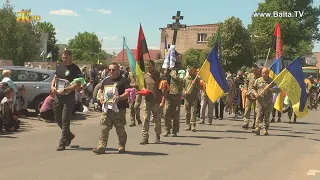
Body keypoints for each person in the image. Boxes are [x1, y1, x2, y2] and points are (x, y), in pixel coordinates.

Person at [93, 63, 130, 154]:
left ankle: (121, 145)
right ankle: (102, 146)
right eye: (109, 70)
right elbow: (101, 91)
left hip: (119, 109)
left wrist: (119, 98)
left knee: (120, 128)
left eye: (113, 70)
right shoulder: (106, 81)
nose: (111, 71)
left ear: (118, 70)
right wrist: (101, 97)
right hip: (107, 109)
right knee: (104, 127)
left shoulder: (124, 80)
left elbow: (128, 93)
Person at [51, 50, 82, 151]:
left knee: (65, 119)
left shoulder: (75, 69)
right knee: (57, 117)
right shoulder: (59, 66)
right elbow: (55, 77)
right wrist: (52, 87)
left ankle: (63, 142)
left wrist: (67, 89)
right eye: (63, 58)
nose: (64, 60)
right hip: (58, 95)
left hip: (69, 96)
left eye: (66, 58)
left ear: (71, 57)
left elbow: (78, 84)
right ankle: (69, 135)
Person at [140, 60, 162, 144]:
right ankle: (145, 137)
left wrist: (163, 101)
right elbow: (141, 87)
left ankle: (157, 135)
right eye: (147, 67)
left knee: (157, 119)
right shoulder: (145, 76)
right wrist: (143, 89)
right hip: (147, 101)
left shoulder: (159, 75)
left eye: (150, 67)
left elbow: (164, 88)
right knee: (146, 119)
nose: (148, 68)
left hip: (156, 101)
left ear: (153, 66)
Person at [252, 68, 279, 135]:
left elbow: (278, 89)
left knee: (266, 116)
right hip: (259, 101)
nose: (264, 74)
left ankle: (265, 129)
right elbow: (252, 89)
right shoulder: (258, 80)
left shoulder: (271, 81)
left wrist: (270, 89)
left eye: (266, 73)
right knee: (258, 115)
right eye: (263, 73)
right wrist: (255, 94)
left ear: (268, 73)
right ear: (261, 73)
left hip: (268, 102)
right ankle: (257, 128)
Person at [163, 53, 184, 137]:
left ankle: (175, 131)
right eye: (176, 57)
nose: (178, 58)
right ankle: (167, 129)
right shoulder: (170, 68)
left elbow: (180, 78)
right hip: (169, 93)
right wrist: (167, 69)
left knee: (176, 113)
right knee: (166, 112)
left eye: (179, 57)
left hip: (177, 93)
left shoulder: (182, 69)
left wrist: (172, 71)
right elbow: (164, 75)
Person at [242, 64, 260, 129]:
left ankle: (255, 123)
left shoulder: (260, 77)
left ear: (257, 69)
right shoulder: (250, 76)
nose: (254, 71)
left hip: (256, 96)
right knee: (247, 110)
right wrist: (246, 91)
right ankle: (246, 123)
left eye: (255, 70)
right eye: (252, 70)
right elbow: (246, 83)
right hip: (249, 95)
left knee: (256, 111)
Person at [183, 65, 200, 132]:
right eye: (188, 71)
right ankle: (188, 125)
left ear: (193, 70)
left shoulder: (197, 78)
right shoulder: (185, 78)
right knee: (187, 112)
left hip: (194, 97)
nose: (189, 72)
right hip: (187, 97)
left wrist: (195, 84)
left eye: (190, 70)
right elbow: (183, 86)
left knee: (193, 111)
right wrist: (184, 91)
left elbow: (200, 87)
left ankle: (193, 125)